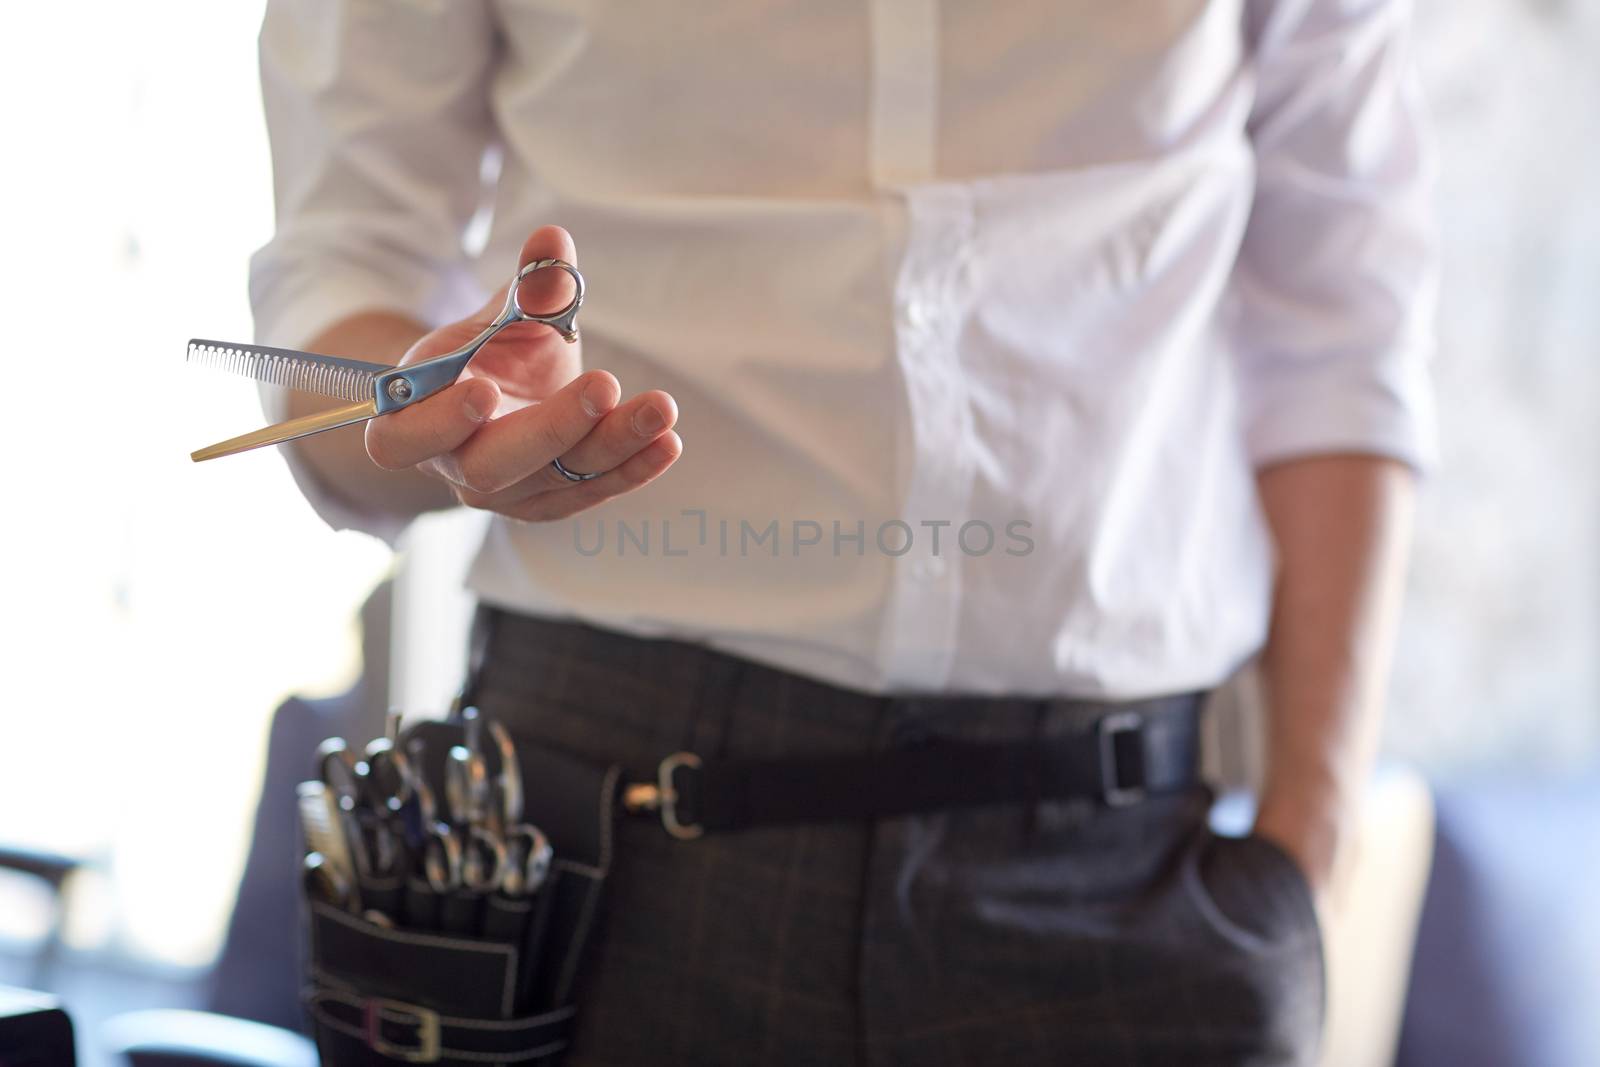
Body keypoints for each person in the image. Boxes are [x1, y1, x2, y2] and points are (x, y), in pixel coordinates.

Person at [252, 1, 1435, 1063]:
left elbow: (1343, 337)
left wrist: (1303, 859)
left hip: (1129, 872)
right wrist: (431, 417)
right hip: (604, 849)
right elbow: (343, 268)